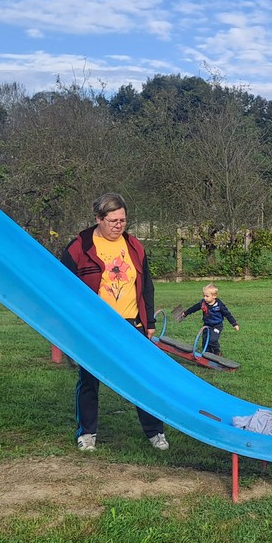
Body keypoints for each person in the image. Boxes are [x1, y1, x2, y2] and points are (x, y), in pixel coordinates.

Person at [60, 193, 170, 452]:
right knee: (89, 380)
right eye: (113, 220)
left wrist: (149, 321)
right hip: (94, 327)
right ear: (98, 218)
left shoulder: (134, 246)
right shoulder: (79, 247)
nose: (119, 225)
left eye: (123, 220)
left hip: (132, 324)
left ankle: (155, 432)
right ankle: (87, 434)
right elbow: (63, 288)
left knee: (143, 379)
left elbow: (146, 286)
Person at [179, 283, 239, 356]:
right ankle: (207, 353)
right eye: (204, 295)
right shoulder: (203, 303)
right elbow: (194, 308)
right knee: (205, 340)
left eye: (207, 296)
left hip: (217, 326)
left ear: (214, 296)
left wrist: (234, 324)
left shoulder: (219, 305)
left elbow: (228, 314)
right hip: (206, 325)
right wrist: (185, 313)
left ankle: (217, 352)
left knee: (212, 340)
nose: (205, 298)